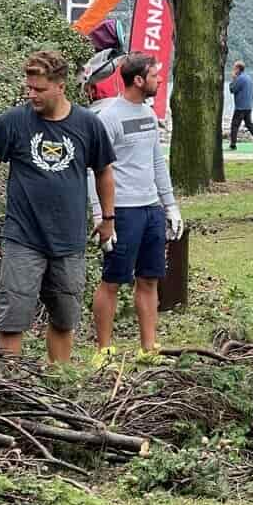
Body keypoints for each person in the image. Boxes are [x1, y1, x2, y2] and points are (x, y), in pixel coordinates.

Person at [0, 50, 116, 363]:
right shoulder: (12, 122)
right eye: (29, 88)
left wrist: (108, 217)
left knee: (64, 318)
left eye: (39, 89)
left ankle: (61, 383)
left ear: (60, 85)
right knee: (13, 318)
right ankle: (11, 388)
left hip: (69, 239)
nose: (32, 94)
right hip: (22, 237)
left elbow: (104, 173)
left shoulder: (88, 125)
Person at [89, 54, 183, 367]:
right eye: (155, 76)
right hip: (122, 212)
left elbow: (157, 161)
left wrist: (169, 205)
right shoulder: (109, 117)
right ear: (139, 80)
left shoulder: (147, 112)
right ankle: (103, 352)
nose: (159, 81)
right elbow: (95, 169)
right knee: (112, 281)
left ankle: (148, 348)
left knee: (149, 280)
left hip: (151, 209)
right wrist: (100, 215)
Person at [229, 61, 253, 150]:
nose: (233, 70)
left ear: (238, 69)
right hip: (248, 106)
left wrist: (233, 79)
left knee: (235, 125)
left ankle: (233, 145)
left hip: (241, 107)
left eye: (234, 68)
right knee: (249, 124)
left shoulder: (240, 78)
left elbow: (232, 89)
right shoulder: (248, 78)